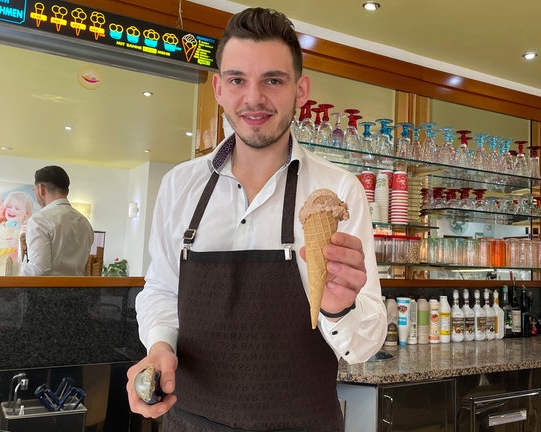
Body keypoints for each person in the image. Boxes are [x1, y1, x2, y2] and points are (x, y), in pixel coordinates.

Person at [126, 7, 386, 431]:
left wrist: (340, 311)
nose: (254, 98)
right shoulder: (179, 186)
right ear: (218, 88)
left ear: (300, 89)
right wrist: (159, 347)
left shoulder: (339, 193)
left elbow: (362, 347)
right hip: (190, 423)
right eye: (237, 80)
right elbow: (160, 291)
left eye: (273, 80)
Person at [20, 165, 94, 276]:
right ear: (67, 191)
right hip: (77, 291)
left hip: (47, 292)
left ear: (41, 189)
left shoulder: (39, 220)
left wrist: (15, 277)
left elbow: (38, 270)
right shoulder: (85, 223)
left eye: (34, 190)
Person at [0, 191, 34, 264]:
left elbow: (29, 253)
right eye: (9, 206)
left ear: (26, 213)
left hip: (13, 264)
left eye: (17, 208)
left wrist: (17, 245)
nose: (12, 210)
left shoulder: (25, 231)